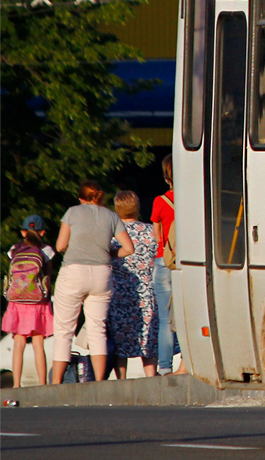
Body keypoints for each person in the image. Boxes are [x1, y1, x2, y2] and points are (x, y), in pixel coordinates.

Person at [51, 181, 133, 385]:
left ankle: (56, 382)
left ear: (81, 198)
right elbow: (129, 248)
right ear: (99, 197)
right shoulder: (111, 215)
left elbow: (60, 246)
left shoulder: (72, 212)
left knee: (64, 329)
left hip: (73, 271)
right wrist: (111, 253)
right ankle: (98, 381)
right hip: (102, 274)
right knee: (97, 328)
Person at [107, 191, 159, 379]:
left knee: (120, 337)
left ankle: (121, 378)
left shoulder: (112, 234)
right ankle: (151, 374)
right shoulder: (151, 231)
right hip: (145, 289)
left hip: (118, 291)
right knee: (147, 334)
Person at [2, 216, 55, 387]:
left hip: (17, 301)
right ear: (42, 232)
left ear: (23, 232)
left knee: (19, 343)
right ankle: (41, 384)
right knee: (38, 343)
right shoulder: (46, 250)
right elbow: (48, 276)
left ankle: (16, 384)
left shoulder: (14, 249)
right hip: (38, 301)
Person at [150, 155, 185, 375]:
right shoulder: (189, 200)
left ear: (166, 178)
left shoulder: (159, 201)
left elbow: (157, 235)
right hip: (185, 263)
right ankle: (186, 363)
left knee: (165, 319)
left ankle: (164, 367)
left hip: (164, 260)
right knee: (185, 315)